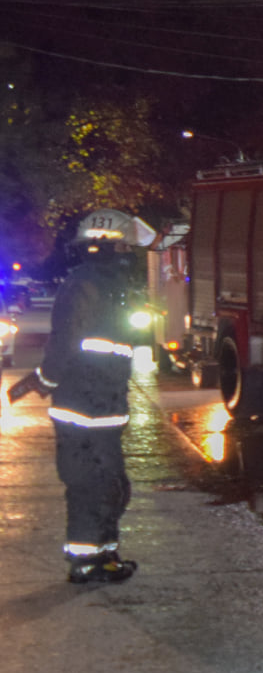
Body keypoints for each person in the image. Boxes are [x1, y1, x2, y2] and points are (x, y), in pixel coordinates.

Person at [37, 218, 143, 583]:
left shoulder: (111, 284)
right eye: (125, 246)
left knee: (111, 485)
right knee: (88, 484)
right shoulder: (83, 284)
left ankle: (104, 555)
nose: (129, 254)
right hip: (81, 406)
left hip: (105, 404)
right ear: (106, 245)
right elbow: (66, 340)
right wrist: (45, 379)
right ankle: (86, 563)